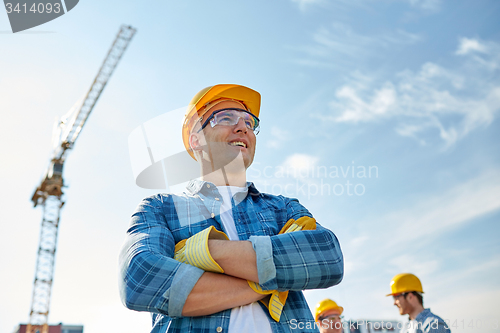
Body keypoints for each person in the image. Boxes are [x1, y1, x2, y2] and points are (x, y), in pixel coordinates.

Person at [119, 84, 344, 333]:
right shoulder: (161, 209)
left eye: (250, 122)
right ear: (196, 140)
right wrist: (273, 280)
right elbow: (140, 279)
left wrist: (203, 251)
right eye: (226, 117)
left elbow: (329, 257)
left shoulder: (283, 208)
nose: (242, 127)